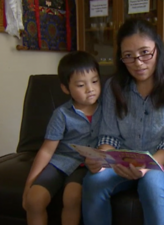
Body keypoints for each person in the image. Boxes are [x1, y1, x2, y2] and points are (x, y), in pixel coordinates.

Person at [82, 18, 164, 225]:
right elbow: (109, 135)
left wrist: (145, 166)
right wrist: (101, 158)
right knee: (94, 181)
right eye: (128, 56)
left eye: (145, 52)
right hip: (122, 161)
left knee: (151, 181)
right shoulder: (113, 87)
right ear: (121, 58)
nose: (138, 63)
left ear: (157, 49)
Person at [22, 51, 101, 225]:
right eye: (81, 85)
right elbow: (47, 149)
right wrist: (30, 182)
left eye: (95, 81)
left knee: (72, 197)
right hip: (60, 161)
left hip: (86, 165)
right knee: (34, 200)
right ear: (66, 88)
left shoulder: (107, 110)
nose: (90, 89)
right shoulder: (61, 114)